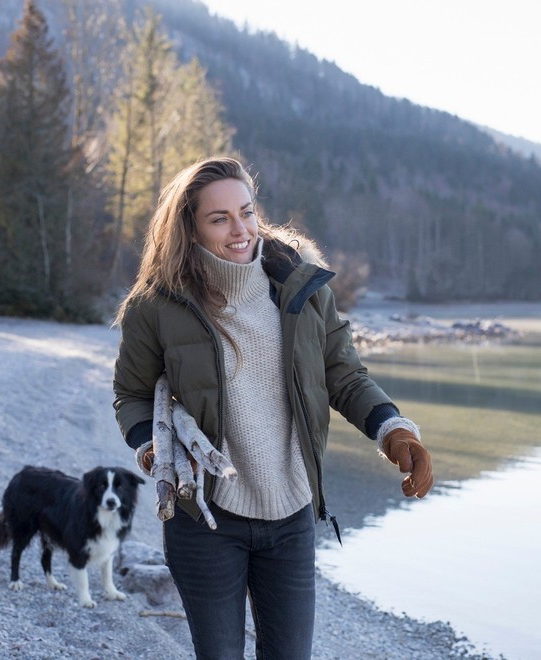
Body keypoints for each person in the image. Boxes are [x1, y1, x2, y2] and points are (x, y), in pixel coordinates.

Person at [112, 157, 434, 659]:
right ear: (189, 227)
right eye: (219, 218)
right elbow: (131, 395)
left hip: (291, 515)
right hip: (205, 518)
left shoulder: (301, 287)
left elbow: (344, 375)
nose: (240, 229)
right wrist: (152, 446)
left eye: (246, 211)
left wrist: (393, 430)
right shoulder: (157, 306)